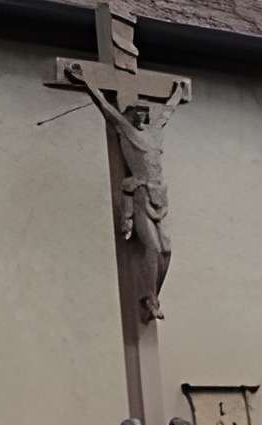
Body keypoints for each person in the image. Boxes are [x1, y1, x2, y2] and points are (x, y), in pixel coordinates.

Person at [68, 67, 187, 321]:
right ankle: (150, 300)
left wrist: (177, 92)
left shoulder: (155, 134)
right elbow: (106, 108)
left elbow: (167, 112)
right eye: (137, 114)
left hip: (160, 197)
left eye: (144, 114)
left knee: (167, 250)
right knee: (153, 249)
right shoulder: (127, 130)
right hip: (142, 194)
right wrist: (86, 81)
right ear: (131, 116)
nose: (141, 117)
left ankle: (153, 293)